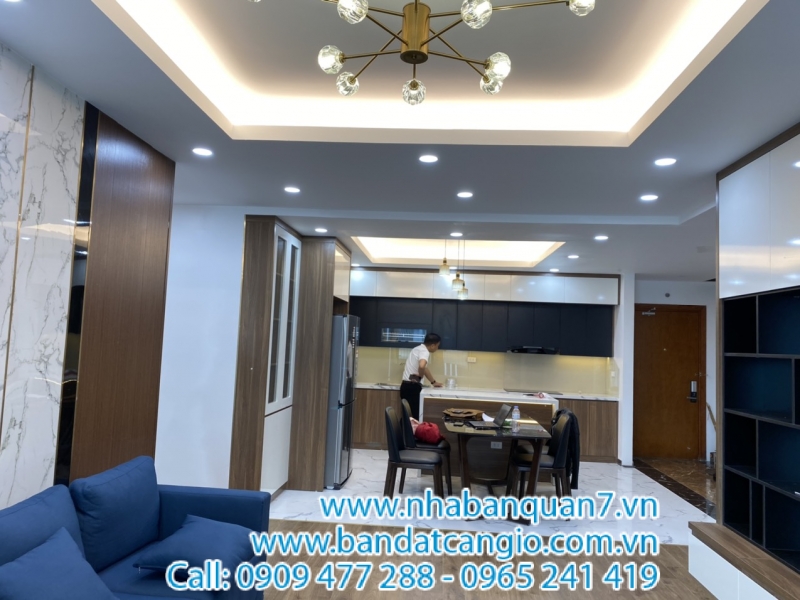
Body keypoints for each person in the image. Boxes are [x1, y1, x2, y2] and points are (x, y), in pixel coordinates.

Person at [400, 333, 443, 420]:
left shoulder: (417, 349)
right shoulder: (424, 352)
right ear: (432, 345)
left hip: (406, 386)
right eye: (437, 346)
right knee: (415, 417)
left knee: (408, 416)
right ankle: (407, 429)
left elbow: (424, 368)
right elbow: (422, 366)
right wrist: (420, 376)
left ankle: (403, 429)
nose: (437, 348)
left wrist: (433, 382)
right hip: (413, 388)